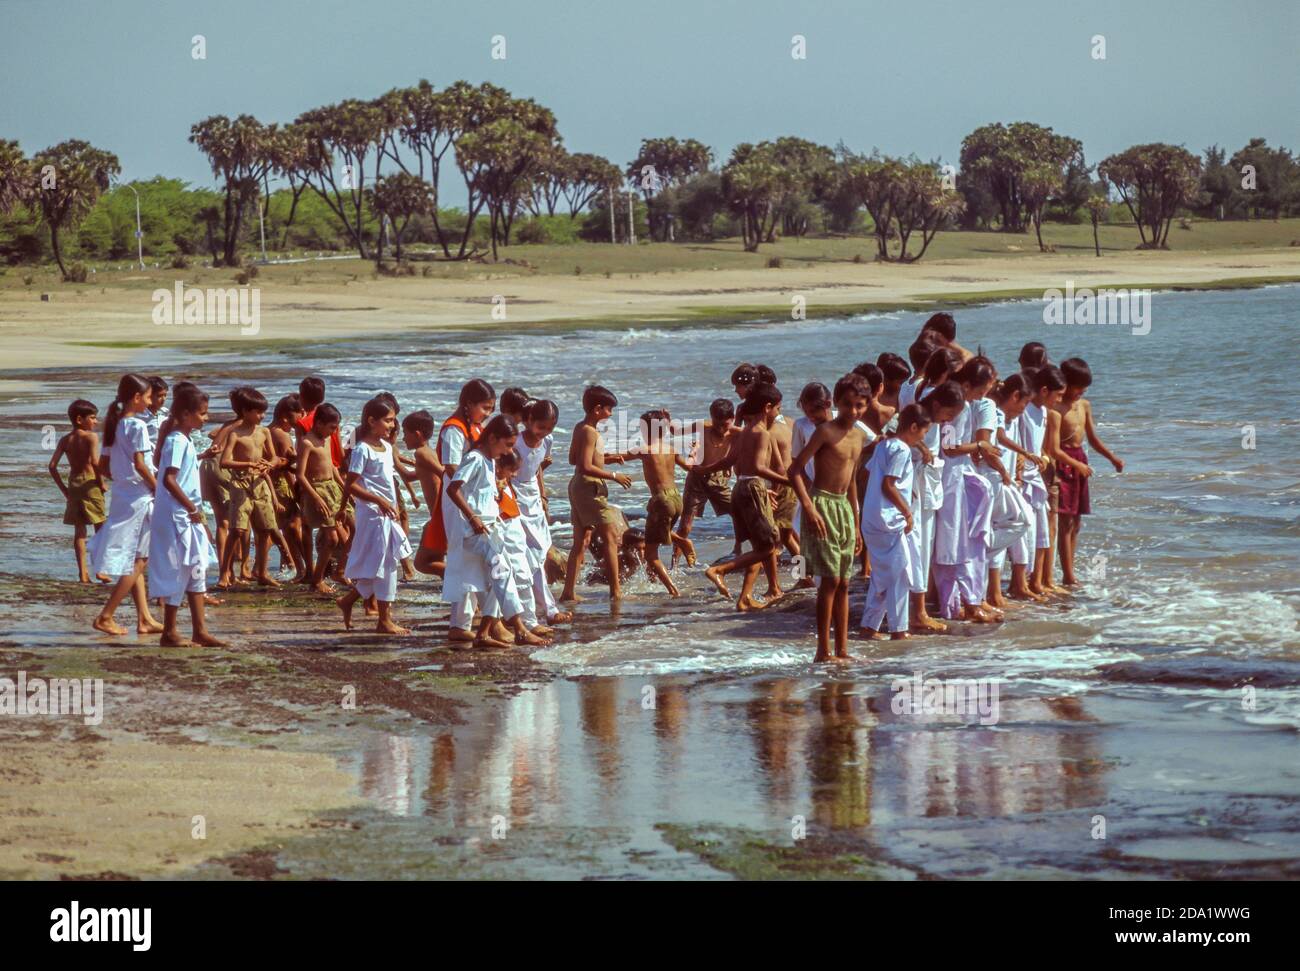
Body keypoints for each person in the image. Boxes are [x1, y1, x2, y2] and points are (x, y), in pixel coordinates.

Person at [444, 414, 551, 648]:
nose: (507, 452)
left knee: (501, 576)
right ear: (493, 438)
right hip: (475, 531)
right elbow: (453, 489)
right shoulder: (474, 458)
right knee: (502, 572)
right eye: (508, 445)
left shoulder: (490, 460)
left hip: (490, 529)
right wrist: (472, 517)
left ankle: (484, 633)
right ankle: (520, 629)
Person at [788, 374, 872, 661]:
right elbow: (795, 470)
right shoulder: (824, 432)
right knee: (831, 581)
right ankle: (823, 651)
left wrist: (857, 525)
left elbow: (850, 483)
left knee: (845, 582)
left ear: (867, 405)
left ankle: (843, 650)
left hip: (845, 510)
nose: (854, 411)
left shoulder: (859, 435)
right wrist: (809, 507)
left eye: (860, 405)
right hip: (821, 505)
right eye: (848, 404)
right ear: (836, 403)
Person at [700, 383, 788, 611]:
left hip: (740, 488)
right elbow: (759, 467)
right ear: (768, 407)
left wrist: (703, 469)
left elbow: (729, 461)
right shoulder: (762, 433)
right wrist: (790, 482)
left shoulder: (746, 430)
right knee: (769, 546)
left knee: (761, 545)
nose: (779, 413)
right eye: (778, 408)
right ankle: (720, 570)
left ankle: (745, 598)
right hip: (753, 488)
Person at [148, 384, 224, 647]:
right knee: (178, 570)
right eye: (202, 413)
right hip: (177, 516)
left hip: (188, 514)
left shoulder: (184, 440)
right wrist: (192, 509)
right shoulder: (176, 440)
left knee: (196, 568)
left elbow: (180, 475)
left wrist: (197, 513)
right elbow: (168, 479)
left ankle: (199, 630)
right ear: (185, 414)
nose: (206, 418)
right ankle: (169, 631)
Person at [89, 373, 163, 636]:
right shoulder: (138, 426)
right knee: (139, 560)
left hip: (123, 495)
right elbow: (141, 464)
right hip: (140, 496)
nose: (150, 401)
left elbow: (103, 465)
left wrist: (122, 477)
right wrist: (158, 487)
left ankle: (144, 618)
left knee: (136, 557)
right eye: (147, 396)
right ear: (136, 398)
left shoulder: (115, 422)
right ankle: (106, 615)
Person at [337, 397, 414, 635]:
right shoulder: (362, 449)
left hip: (387, 513)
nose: (392, 425)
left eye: (393, 421)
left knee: (384, 563)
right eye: (388, 421)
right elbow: (351, 485)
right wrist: (378, 500)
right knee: (386, 564)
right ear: (372, 421)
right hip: (372, 514)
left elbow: (395, 477)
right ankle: (384, 619)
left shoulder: (388, 448)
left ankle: (349, 601)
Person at [932, 356, 999, 624]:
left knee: (964, 541)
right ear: (968, 384)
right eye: (980, 391)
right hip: (950, 479)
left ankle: (964, 601)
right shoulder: (957, 404)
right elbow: (949, 448)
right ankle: (960, 603)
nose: (982, 397)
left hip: (959, 476)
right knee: (952, 544)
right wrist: (980, 446)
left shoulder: (966, 403)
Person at [859, 403, 933, 641]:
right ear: (913, 427)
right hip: (888, 520)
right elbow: (888, 485)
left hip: (872, 518)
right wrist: (907, 512)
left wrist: (904, 492)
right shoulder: (901, 449)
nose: (923, 437)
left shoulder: (883, 445)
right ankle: (899, 630)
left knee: (882, 575)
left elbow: (872, 473)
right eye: (923, 432)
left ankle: (869, 627)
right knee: (900, 574)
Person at [430, 379, 496, 640]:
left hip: (471, 500)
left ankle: (469, 620)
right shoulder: (453, 430)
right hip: (458, 501)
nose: (488, 414)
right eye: (485, 407)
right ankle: (459, 625)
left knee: (475, 560)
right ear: (468, 404)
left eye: (491, 409)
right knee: (461, 558)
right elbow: (451, 468)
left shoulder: (475, 427)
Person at [1049, 357, 1124, 587]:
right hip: (1063, 463)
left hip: (1080, 460)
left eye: (1084, 388)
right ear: (1066, 383)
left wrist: (1112, 457)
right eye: (1077, 387)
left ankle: (1069, 572)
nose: (1080, 392)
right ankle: (1068, 575)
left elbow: (1092, 438)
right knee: (1065, 522)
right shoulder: (1056, 408)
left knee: (1077, 522)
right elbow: (1052, 446)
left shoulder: (1084, 406)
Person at [561, 385, 633, 603]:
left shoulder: (580, 427)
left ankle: (568, 592)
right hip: (589, 488)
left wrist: (606, 458)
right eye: (609, 410)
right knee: (611, 537)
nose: (610, 414)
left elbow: (574, 459)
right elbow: (584, 465)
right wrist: (614, 475)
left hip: (578, 487)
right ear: (597, 409)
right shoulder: (590, 432)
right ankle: (616, 592)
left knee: (580, 541)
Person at [908, 380, 965, 632]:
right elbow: (891, 433)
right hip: (914, 489)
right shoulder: (917, 419)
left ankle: (918, 607)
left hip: (927, 487)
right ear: (936, 404)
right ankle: (916, 612)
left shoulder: (932, 423)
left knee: (925, 546)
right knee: (918, 548)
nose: (948, 420)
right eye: (948, 414)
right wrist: (920, 445)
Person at [512, 398, 571, 624]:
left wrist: (543, 496)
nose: (544, 432)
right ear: (528, 420)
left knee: (537, 555)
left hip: (534, 500)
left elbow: (537, 471)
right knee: (527, 557)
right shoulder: (516, 442)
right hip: (514, 499)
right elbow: (503, 473)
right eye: (540, 427)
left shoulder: (548, 441)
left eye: (549, 428)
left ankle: (543, 610)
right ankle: (541, 611)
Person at [218, 386, 281, 588]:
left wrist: (269, 464)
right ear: (245, 411)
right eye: (258, 412)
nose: (262, 416)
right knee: (237, 529)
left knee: (265, 530)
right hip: (241, 483)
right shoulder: (235, 434)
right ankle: (224, 573)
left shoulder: (264, 432)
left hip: (260, 483)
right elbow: (224, 462)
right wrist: (247, 464)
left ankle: (261, 572)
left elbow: (274, 456)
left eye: (263, 412)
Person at [984, 375, 1037, 607]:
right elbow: (1000, 439)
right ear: (1015, 396)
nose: (1023, 410)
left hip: (1002, 478)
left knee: (1016, 525)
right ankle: (992, 587)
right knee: (1020, 521)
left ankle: (1006, 588)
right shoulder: (994, 411)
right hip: (995, 478)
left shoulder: (1000, 413)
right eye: (1024, 404)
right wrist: (1026, 453)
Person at [632, 408, 694, 597]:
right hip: (676, 498)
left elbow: (612, 458)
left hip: (661, 500)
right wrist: (695, 450)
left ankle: (673, 590)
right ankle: (652, 581)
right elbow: (689, 466)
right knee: (658, 535)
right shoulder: (671, 449)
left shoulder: (645, 450)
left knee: (651, 555)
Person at [49, 399, 107, 583]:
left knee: (80, 532)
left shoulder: (66, 439)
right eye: (92, 418)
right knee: (101, 528)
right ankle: (99, 570)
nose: (96, 421)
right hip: (90, 485)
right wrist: (102, 482)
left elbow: (52, 466)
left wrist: (64, 490)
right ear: (80, 419)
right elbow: (95, 463)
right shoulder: (91, 437)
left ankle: (83, 573)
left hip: (74, 485)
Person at [1024, 365, 1067, 595]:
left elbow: (1039, 446)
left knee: (1042, 532)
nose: (1059, 400)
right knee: (1027, 535)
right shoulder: (1026, 410)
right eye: (1057, 395)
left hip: (1037, 476)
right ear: (1043, 390)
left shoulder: (1042, 412)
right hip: (1024, 478)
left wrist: (1042, 456)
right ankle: (1023, 583)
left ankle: (1037, 582)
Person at [678, 398, 737, 563]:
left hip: (718, 480)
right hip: (697, 478)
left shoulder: (736, 433)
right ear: (711, 418)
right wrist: (667, 422)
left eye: (724, 424)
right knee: (685, 526)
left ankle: (739, 551)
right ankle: (674, 565)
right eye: (716, 423)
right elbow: (677, 431)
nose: (720, 428)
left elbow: (745, 452)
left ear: (732, 419)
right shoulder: (703, 426)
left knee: (739, 514)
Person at [298, 403, 348, 594]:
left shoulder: (326, 441)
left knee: (352, 528)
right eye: (331, 428)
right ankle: (317, 579)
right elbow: (301, 475)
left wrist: (345, 488)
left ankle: (339, 571)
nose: (334, 432)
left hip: (333, 488)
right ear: (319, 423)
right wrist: (316, 498)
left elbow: (332, 468)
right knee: (332, 538)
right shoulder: (307, 442)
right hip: (317, 490)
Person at [403, 410, 447, 578]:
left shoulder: (421, 453)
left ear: (417, 434)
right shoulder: (429, 452)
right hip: (440, 517)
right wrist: (395, 458)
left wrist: (393, 458)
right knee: (437, 558)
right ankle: (455, 596)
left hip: (439, 518)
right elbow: (409, 476)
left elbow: (444, 474)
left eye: (405, 434)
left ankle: (461, 577)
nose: (403, 439)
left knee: (421, 563)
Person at [269, 394, 307, 582]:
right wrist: (297, 490)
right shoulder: (282, 435)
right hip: (281, 485)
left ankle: (290, 565)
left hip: (272, 485)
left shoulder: (270, 430)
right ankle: (300, 568)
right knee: (293, 526)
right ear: (286, 416)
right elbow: (286, 470)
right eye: (299, 413)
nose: (303, 416)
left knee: (283, 526)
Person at [143, 376, 168, 443]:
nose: (163, 399)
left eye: (165, 395)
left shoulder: (166, 412)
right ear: (149, 395)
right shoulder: (140, 416)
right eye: (159, 396)